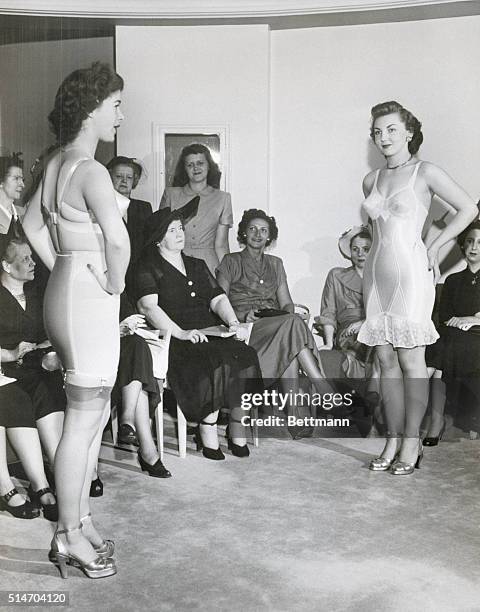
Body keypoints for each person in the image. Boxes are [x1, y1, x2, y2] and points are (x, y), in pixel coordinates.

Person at [23, 62, 130, 579]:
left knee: (93, 411)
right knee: (83, 419)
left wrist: (60, 267)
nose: (120, 115)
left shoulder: (57, 162)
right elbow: (118, 237)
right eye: (115, 106)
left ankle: (80, 517)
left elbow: (28, 223)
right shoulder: (90, 169)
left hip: (67, 294)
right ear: (91, 109)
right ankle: (66, 535)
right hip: (87, 301)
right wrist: (115, 282)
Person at [358, 100, 477, 475]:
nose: (384, 137)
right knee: (384, 359)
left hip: (412, 275)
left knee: (411, 361)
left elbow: (469, 209)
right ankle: (392, 437)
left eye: (392, 129)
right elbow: (378, 236)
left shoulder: (425, 173)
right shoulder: (370, 180)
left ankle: (412, 442)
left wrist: (438, 245)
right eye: (378, 131)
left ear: (408, 132)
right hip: (376, 277)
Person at [135, 200, 262, 460]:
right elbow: (149, 308)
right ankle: (208, 430)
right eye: (172, 230)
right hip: (176, 340)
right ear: (158, 240)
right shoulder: (147, 268)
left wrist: (233, 322)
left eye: (180, 228)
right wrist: (181, 333)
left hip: (210, 331)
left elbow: (218, 298)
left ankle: (237, 424)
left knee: (245, 354)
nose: (180, 233)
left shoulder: (196, 264)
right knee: (212, 361)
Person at [216, 209, 332, 439]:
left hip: (275, 323)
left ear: (270, 236)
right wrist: (242, 315)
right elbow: (219, 299)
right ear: (243, 233)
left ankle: (295, 413)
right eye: (252, 229)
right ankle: (319, 388)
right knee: (291, 331)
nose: (258, 234)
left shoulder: (276, 264)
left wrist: (285, 313)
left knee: (291, 327)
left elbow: (287, 303)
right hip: (245, 328)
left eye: (263, 230)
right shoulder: (230, 261)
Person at [0, 235, 64, 510]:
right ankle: (38, 484)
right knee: (16, 398)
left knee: (48, 389)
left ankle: (59, 475)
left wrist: (50, 351)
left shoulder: (37, 294)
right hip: (3, 371)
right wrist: (12, 354)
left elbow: (50, 333)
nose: (32, 262)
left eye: (31, 256)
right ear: (5, 265)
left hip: (33, 367)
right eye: (24, 258)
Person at [112, 292, 171, 477]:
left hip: (123, 354)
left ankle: (129, 421)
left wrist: (128, 326)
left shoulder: (115, 287)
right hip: (92, 351)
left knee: (137, 346)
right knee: (138, 355)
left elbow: (130, 316)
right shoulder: (79, 287)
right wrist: (113, 331)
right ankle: (147, 450)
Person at [159, 143, 232, 274]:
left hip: (209, 266)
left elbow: (221, 245)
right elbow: (161, 236)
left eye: (200, 163)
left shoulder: (223, 198)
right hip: (176, 263)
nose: (195, 168)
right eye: (190, 165)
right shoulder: (170, 195)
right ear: (184, 169)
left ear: (209, 166)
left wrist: (226, 277)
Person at [437, 221, 480, 437]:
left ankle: (473, 421)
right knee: (440, 349)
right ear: (463, 245)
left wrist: (474, 320)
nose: (474, 247)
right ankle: (440, 419)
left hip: (476, 337)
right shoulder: (453, 281)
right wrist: (471, 318)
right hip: (456, 336)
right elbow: (445, 316)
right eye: (470, 241)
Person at [106, 156, 152, 297]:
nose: (124, 181)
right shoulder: (101, 207)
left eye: (129, 177)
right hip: (109, 274)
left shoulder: (144, 207)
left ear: (135, 181)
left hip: (137, 275)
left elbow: (149, 244)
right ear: (109, 177)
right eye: (119, 176)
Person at [0, 153, 24, 234]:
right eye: (16, 178)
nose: (23, 185)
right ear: (1, 181)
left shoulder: (24, 213)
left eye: (22, 180)